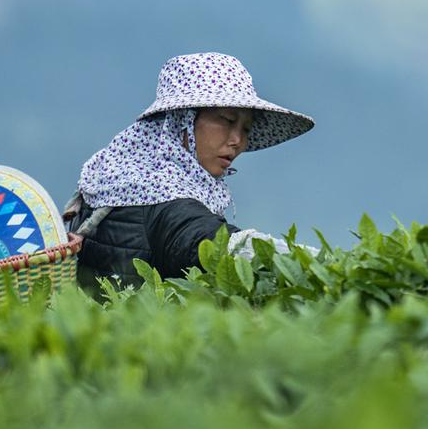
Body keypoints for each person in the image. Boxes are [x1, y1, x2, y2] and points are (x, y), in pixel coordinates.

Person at [69, 52, 314, 288]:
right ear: (182, 121)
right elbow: (219, 244)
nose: (237, 140)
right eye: (227, 121)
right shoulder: (163, 195)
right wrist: (325, 265)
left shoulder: (116, 179)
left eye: (246, 129)